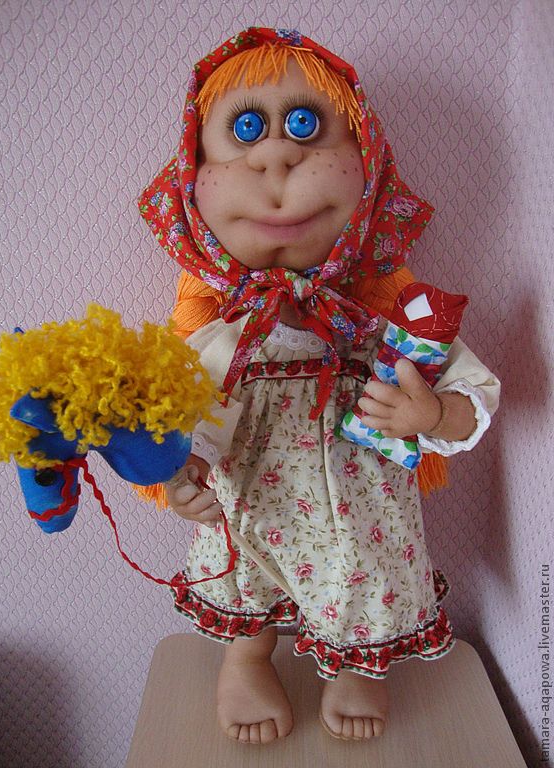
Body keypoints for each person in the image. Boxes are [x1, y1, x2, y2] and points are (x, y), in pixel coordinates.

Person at [139, 27, 500, 745]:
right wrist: (180, 480)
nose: (275, 156)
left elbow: (474, 395)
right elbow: (178, 424)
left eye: (305, 125)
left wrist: (432, 412)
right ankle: (248, 657)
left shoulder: (393, 324)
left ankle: (358, 664)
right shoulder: (219, 338)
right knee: (241, 565)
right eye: (246, 130)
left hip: (361, 516)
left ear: (369, 163)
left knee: (364, 571)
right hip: (251, 502)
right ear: (191, 177)